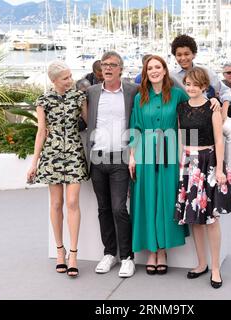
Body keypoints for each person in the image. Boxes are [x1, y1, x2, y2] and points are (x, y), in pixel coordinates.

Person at [175, 67, 231, 289]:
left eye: (195, 84)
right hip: (189, 164)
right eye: (187, 83)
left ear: (204, 86)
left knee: (211, 218)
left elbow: (219, 140)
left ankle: (215, 268)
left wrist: (219, 169)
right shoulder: (181, 108)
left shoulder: (212, 108)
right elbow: (182, 138)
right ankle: (201, 263)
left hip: (208, 162)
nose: (190, 88)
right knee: (194, 218)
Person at [128, 55, 190, 276]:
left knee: (166, 199)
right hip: (144, 152)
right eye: (149, 68)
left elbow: (193, 111)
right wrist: (133, 156)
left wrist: (214, 102)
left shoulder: (177, 94)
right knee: (147, 200)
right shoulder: (140, 97)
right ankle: (151, 251)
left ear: (165, 70)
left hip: (169, 150)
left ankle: (162, 251)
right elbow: (135, 126)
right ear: (146, 72)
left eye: (158, 67)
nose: (154, 71)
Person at [26, 60, 89, 278]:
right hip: (52, 154)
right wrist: (34, 163)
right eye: (65, 78)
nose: (70, 80)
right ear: (54, 81)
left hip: (73, 153)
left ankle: (74, 254)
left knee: (72, 202)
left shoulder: (79, 97)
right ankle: (59, 251)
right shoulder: (43, 100)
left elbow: (89, 125)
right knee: (56, 203)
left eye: (71, 76)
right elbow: (41, 132)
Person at [170, 35, 231, 185]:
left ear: (194, 54)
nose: (183, 58)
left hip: (211, 112)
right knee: (197, 152)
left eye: (187, 54)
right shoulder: (172, 76)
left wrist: (224, 111)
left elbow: (225, 90)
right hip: (190, 118)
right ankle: (225, 178)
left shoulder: (205, 71)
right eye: (179, 55)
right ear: (174, 56)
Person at [85, 51, 138, 277]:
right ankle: (109, 253)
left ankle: (127, 257)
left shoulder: (132, 91)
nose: (107, 68)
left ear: (121, 69)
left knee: (119, 208)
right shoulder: (91, 92)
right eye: (105, 65)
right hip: (97, 157)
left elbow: (166, 86)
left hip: (120, 158)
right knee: (103, 208)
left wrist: (213, 98)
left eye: (112, 65)